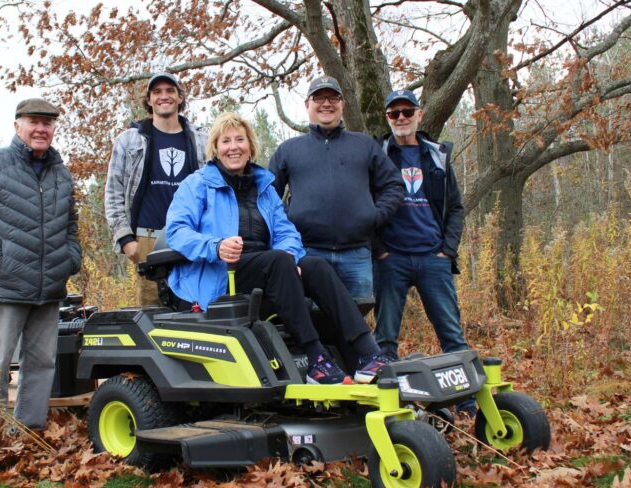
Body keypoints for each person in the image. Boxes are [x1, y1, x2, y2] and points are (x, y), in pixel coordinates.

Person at [166, 112, 396, 385]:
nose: (233, 147)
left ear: (250, 146)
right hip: (219, 274)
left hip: (266, 270)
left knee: (315, 266)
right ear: (215, 148)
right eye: (225, 141)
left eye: (240, 139)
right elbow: (176, 232)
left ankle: (368, 353)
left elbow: (286, 231)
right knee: (277, 262)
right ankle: (316, 359)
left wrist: (290, 253)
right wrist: (215, 246)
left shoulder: (263, 187)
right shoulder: (198, 184)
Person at [0, 98, 82, 445]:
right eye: (33, 122)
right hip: (4, 287)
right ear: (17, 126)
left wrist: (70, 259)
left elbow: (70, 226)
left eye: (48, 123)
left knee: (41, 366)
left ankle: (29, 435)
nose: (41, 129)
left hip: (49, 288)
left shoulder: (60, 173)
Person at [374, 89, 474, 413]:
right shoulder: (378, 156)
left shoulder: (437, 155)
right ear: (387, 118)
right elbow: (363, 206)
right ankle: (387, 405)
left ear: (419, 114)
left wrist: (447, 250)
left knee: (452, 336)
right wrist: (379, 250)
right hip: (393, 259)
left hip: (433, 258)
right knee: (385, 339)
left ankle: (469, 405)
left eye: (407, 111)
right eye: (394, 113)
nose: (401, 118)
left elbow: (456, 207)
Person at [268, 76, 405, 301]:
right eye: (319, 97)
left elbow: (394, 184)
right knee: (311, 324)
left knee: (355, 327)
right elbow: (267, 194)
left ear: (343, 104)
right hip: (308, 253)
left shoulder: (364, 144)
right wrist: (287, 223)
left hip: (357, 255)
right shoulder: (288, 150)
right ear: (307, 105)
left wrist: (374, 215)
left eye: (333, 97)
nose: (326, 103)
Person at [105, 72, 208, 305]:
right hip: (148, 240)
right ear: (149, 100)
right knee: (153, 316)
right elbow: (113, 194)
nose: (164, 96)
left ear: (180, 98)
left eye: (170, 91)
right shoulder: (130, 140)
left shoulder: (200, 139)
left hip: (192, 237)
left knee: (196, 309)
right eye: (157, 92)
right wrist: (125, 239)